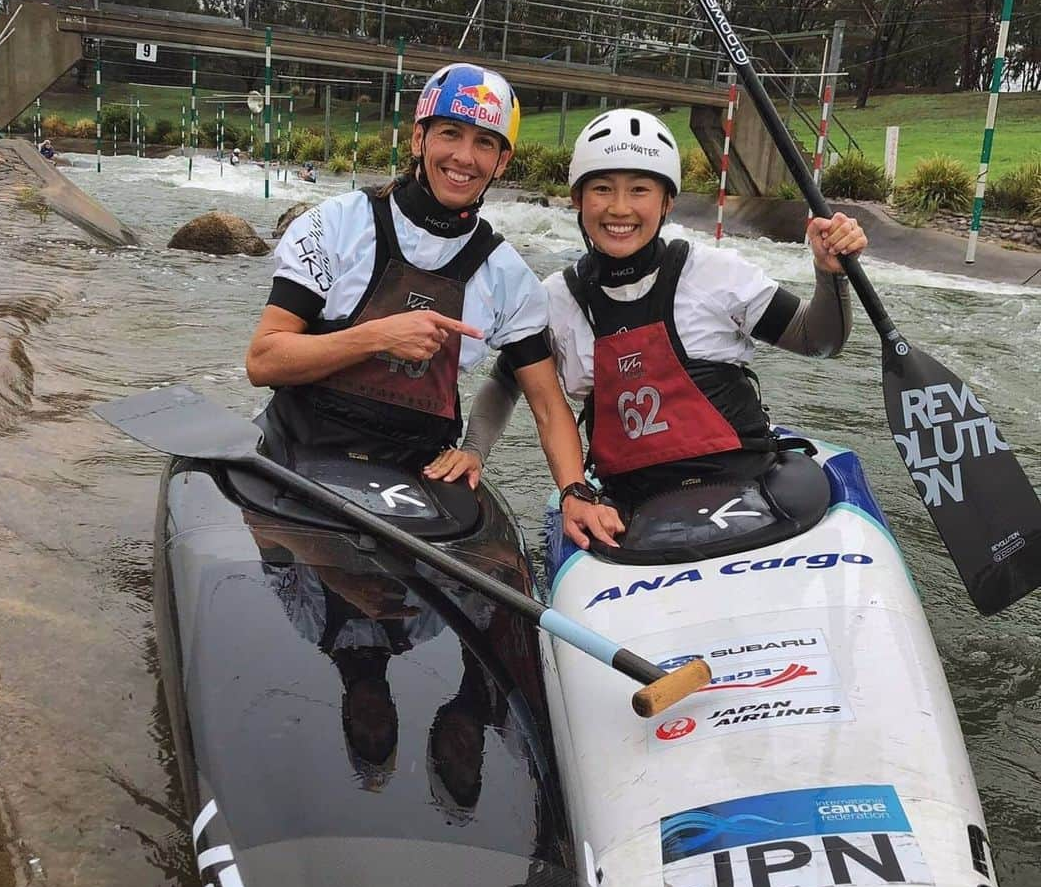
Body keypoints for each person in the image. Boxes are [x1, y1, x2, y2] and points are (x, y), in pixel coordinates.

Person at [245, 62, 624, 549]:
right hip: (297, 450)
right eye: (450, 133)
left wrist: (573, 492)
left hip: (416, 473)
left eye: (485, 143)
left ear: (502, 163)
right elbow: (264, 359)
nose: (465, 157)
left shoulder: (508, 276)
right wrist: (378, 336)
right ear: (418, 139)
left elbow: (549, 406)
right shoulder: (338, 225)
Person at [429, 107, 868, 510]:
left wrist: (831, 274)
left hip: (747, 484)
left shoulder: (717, 273)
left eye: (639, 190)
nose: (619, 208)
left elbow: (818, 342)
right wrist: (474, 450)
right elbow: (506, 383)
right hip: (633, 505)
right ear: (578, 201)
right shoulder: (553, 299)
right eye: (602, 189)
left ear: (667, 202)